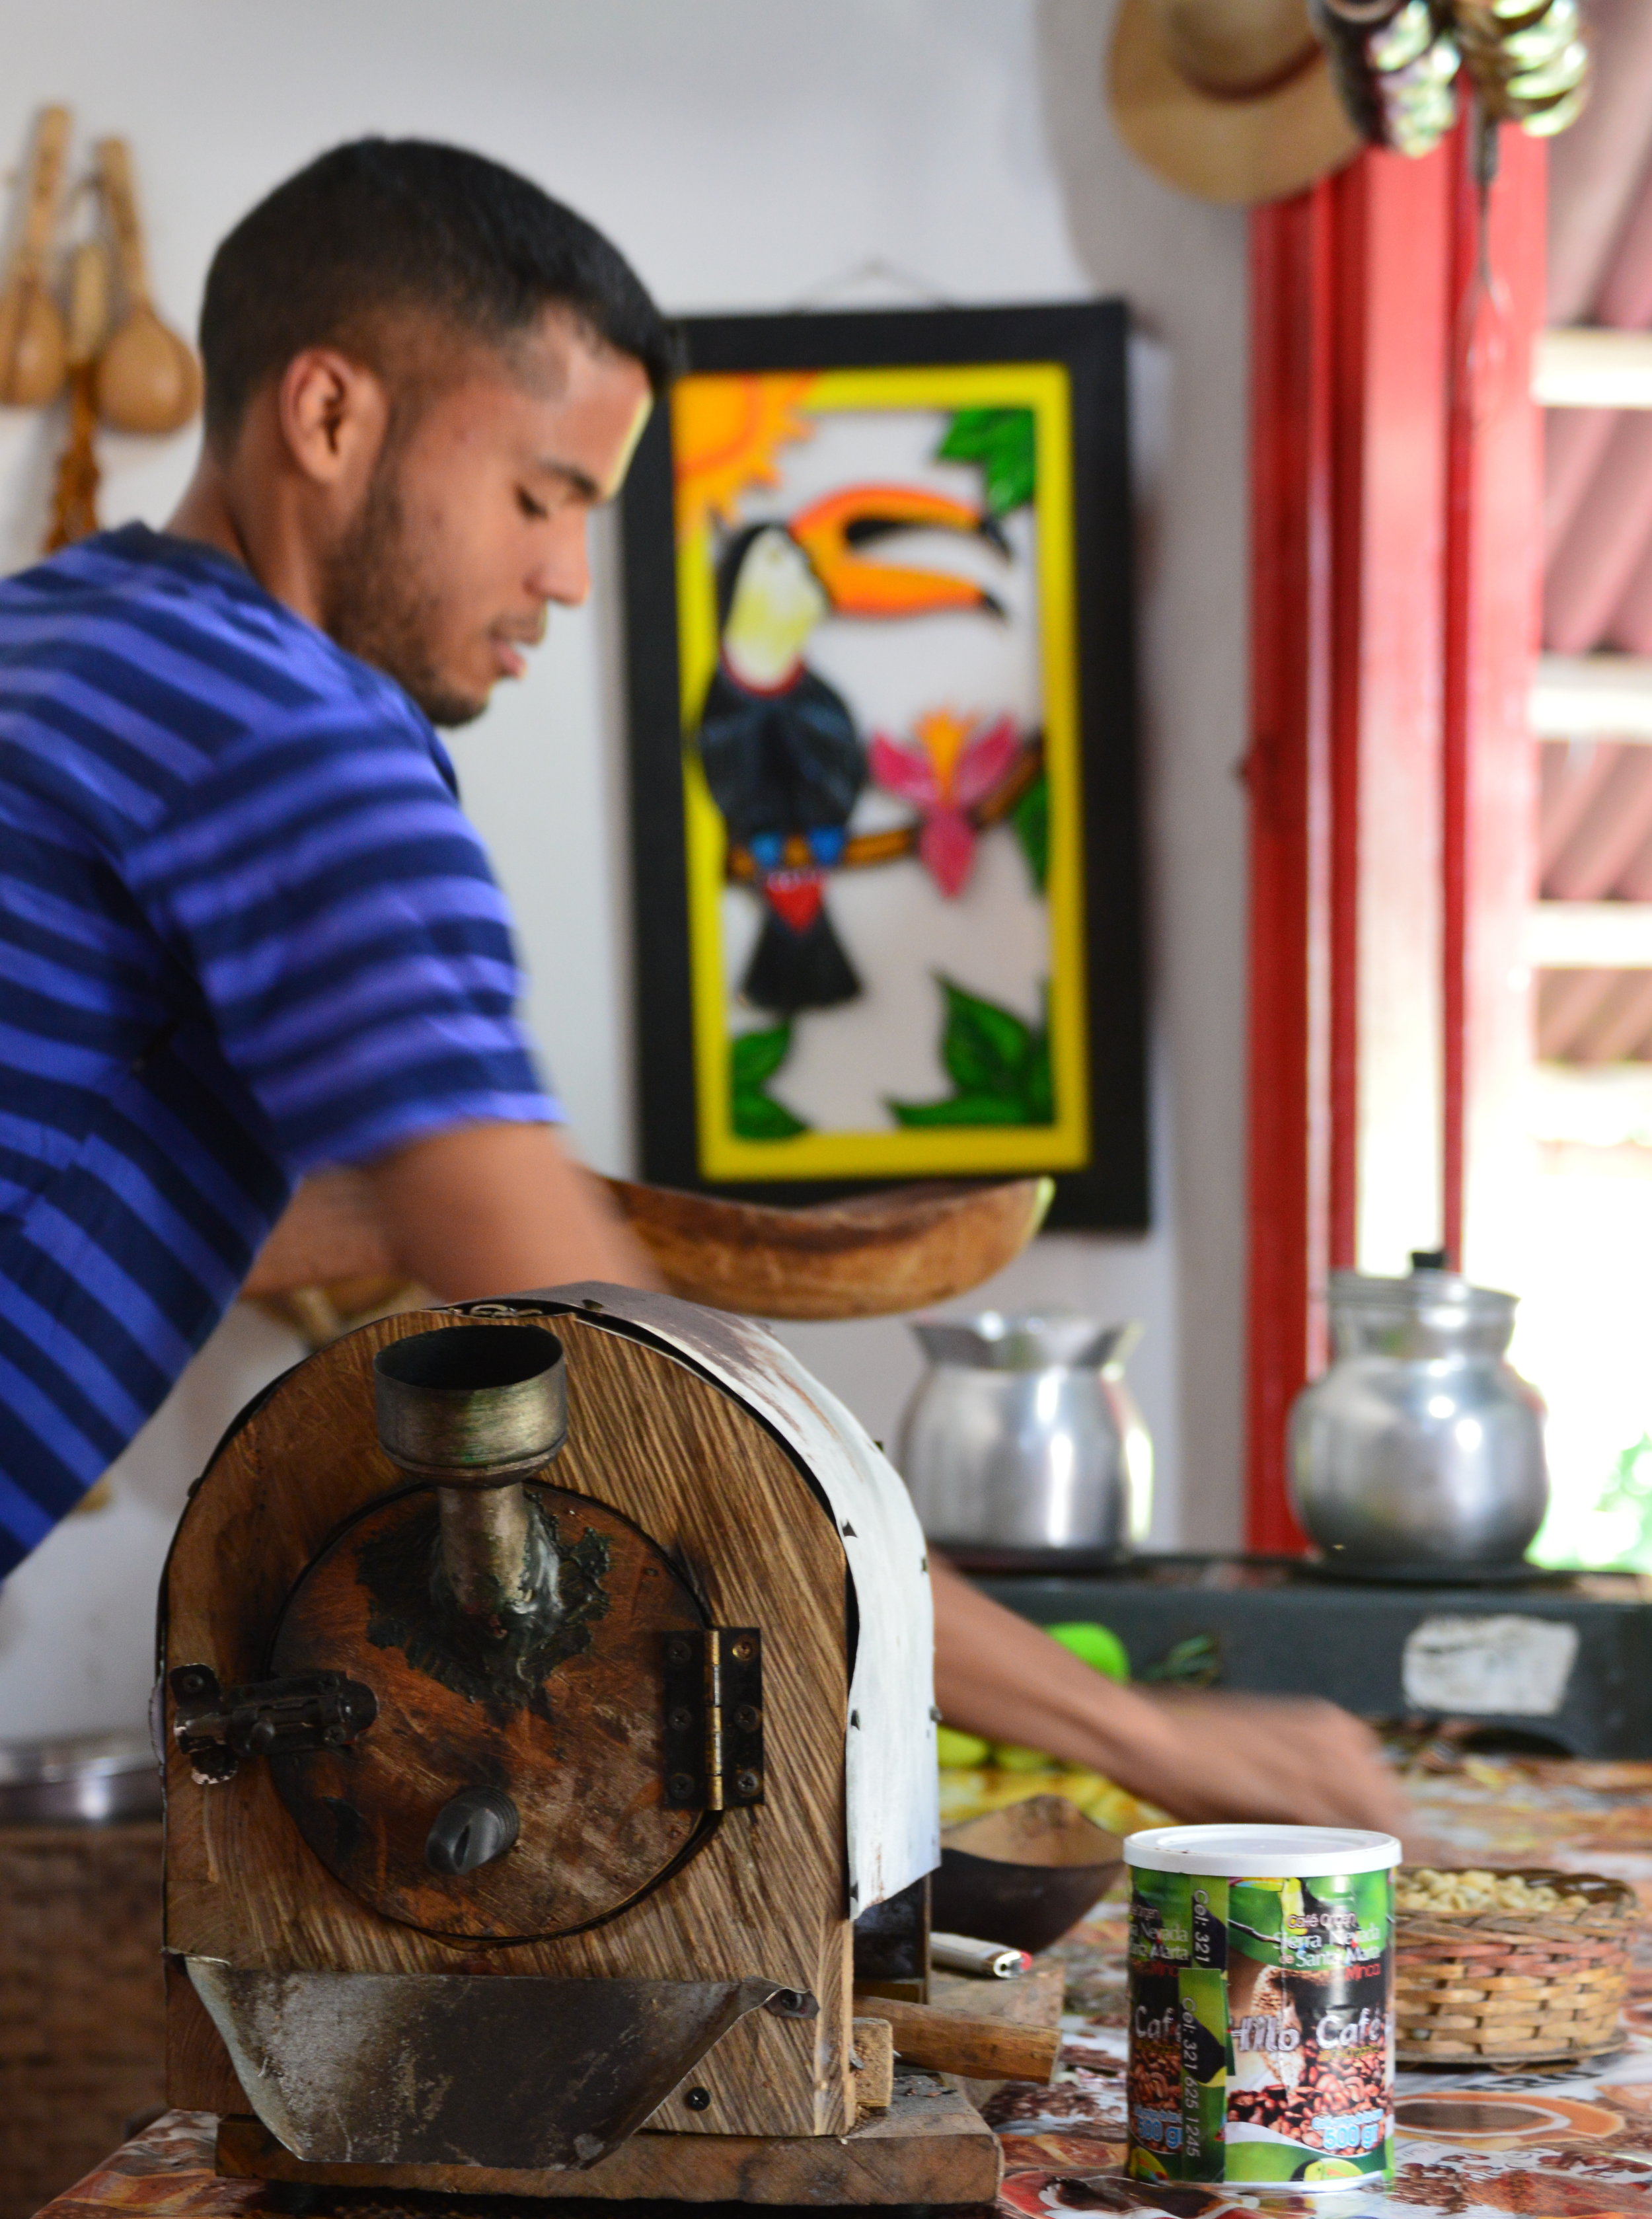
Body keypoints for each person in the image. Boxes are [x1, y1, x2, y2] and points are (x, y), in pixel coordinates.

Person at [0, 138, 1400, 1834]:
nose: (570, 576)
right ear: (329, 414)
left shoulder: (64, 634)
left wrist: (479, 1205)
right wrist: (1151, 1736)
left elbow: (86, 1168)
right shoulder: (297, 736)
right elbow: (634, 1387)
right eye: (541, 495)